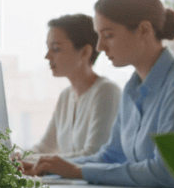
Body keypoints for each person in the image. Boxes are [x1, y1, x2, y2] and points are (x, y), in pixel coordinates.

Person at [23, 0, 174, 188]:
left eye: (108, 35)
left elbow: (168, 172)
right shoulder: (132, 88)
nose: (100, 47)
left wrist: (78, 171)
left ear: (144, 30)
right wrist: (52, 167)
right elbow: (111, 156)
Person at [26, 14, 121, 159]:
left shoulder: (106, 91)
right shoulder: (66, 96)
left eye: (56, 49)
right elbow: (45, 147)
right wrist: (18, 156)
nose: (47, 56)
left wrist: (41, 161)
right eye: (48, 48)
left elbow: (94, 154)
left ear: (85, 52)